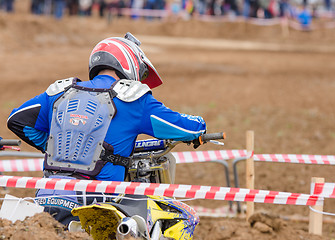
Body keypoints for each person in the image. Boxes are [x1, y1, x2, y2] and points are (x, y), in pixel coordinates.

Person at [7, 33, 207, 226]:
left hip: (46, 193)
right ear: (131, 64)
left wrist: (53, 145)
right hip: (97, 202)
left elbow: (17, 119)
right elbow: (184, 127)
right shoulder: (134, 99)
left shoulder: (61, 91)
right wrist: (200, 126)